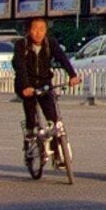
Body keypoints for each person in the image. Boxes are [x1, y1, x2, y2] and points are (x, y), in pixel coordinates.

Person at [14, 16, 63, 163]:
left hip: (44, 84)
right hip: (25, 84)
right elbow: (20, 67)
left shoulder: (50, 43)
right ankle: (29, 135)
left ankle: (57, 155)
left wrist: (73, 75)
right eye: (35, 29)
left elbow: (62, 58)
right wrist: (26, 86)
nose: (38, 33)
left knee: (53, 120)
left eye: (42, 29)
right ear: (28, 30)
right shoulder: (21, 45)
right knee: (31, 113)